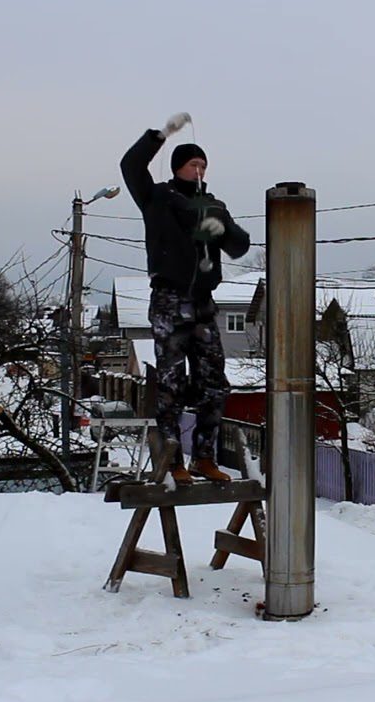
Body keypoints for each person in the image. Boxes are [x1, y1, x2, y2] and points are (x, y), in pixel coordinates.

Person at [120, 112, 250, 484]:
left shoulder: (212, 205)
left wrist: (220, 226)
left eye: (204, 165)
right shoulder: (157, 197)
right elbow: (130, 165)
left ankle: (204, 457)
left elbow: (240, 246)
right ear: (179, 167)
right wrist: (160, 135)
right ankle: (172, 459)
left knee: (214, 384)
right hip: (169, 301)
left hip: (204, 304)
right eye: (194, 163)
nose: (200, 170)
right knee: (171, 384)